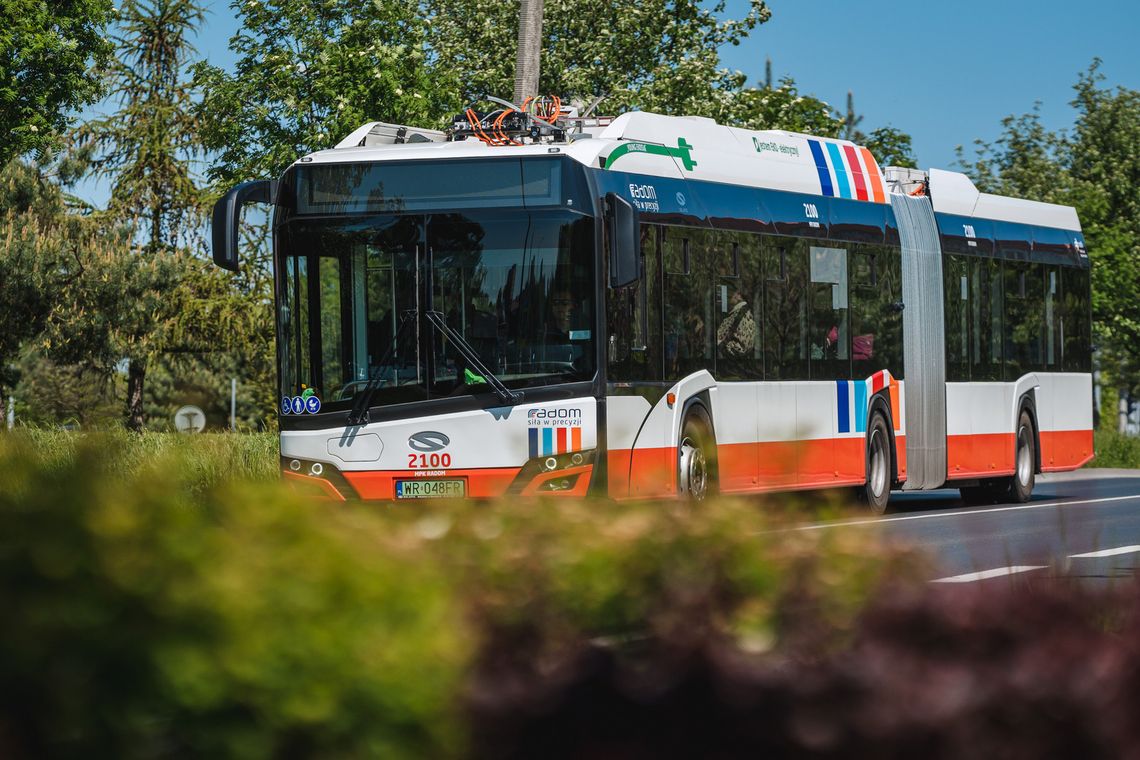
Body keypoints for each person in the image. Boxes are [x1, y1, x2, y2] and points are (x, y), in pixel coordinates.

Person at [717, 290, 757, 361]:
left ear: (738, 296)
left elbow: (723, 333)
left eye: (733, 295)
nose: (731, 298)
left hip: (732, 352)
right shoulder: (748, 311)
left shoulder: (739, 311)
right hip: (742, 353)